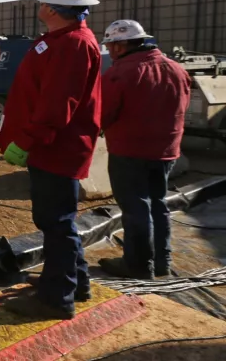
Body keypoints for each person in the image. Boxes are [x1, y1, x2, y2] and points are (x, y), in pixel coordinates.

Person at [0, 0, 103, 320]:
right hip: (50, 145)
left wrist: (26, 141)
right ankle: (75, 282)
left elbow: (57, 105)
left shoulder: (73, 45)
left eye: (44, 1)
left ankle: (56, 299)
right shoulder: (59, 39)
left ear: (54, 9)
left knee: (56, 222)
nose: (40, 5)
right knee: (56, 221)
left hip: (56, 147)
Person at [97, 20, 191, 279]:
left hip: (129, 152)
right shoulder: (176, 69)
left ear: (119, 45)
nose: (110, 52)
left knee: (136, 208)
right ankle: (162, 261)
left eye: (111, 46)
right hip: (166, 151)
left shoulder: (121, 73)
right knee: (158, 204)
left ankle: (138, 266)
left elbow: (103, 114)